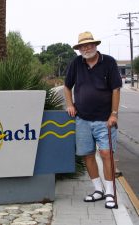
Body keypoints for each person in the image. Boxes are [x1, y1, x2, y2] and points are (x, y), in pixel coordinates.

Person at [64, 31, 122, 209]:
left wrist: (114, 113)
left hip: (105, 120)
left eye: (89, 44)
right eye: (83, 46)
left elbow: (116, 89)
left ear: (95, 45)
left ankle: (110, 193)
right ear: (79, 48)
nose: (86, 48)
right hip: (82, 119)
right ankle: (98, 190)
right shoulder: (76, 63)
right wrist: (70, 104)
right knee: (87, 155)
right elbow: (67, 86)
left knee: (106, 154)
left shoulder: (109, 62)